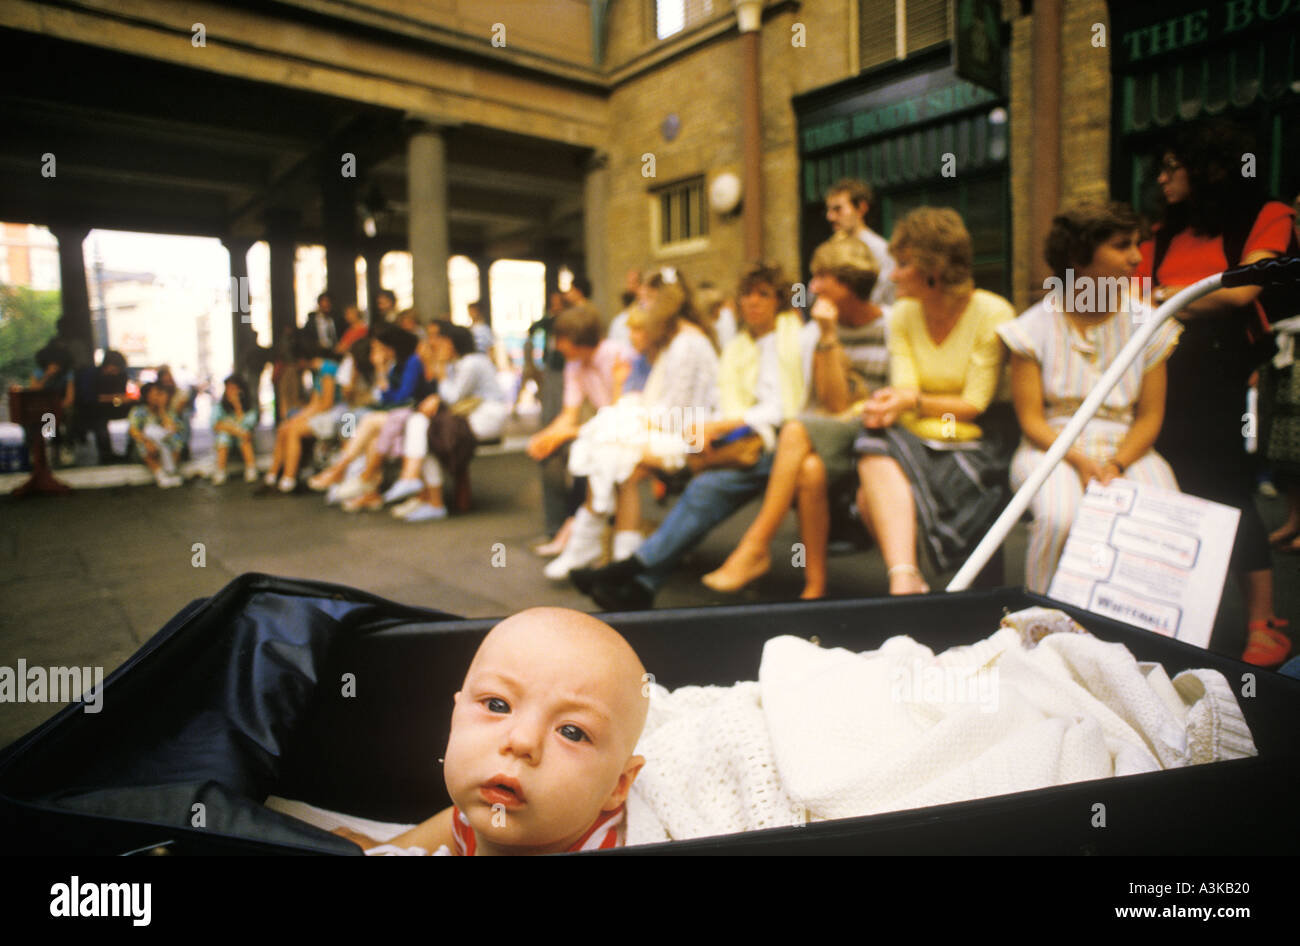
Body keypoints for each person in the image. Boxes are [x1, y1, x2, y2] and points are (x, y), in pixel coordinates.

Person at [1138, 120, 1296, 666]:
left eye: (1171, 168)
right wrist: (1184, 296)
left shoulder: (1266, 215)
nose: (1161, 179)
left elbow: (1244, 288)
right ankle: (1172, 610)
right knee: (1167, 485)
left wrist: (1164, 295)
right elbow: (1134, 298)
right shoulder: (1161, 232)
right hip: (1160, 374)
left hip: (1219, 375)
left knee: (1226, 486)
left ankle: (1262, 620)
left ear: (1207, 170)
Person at [572, 262, 820, 610]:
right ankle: (640, 583)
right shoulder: (741, 344)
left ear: (779, 299)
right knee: (695, 485)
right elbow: (721, 400)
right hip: (740, 438)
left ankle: (630, 569)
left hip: (779, 441)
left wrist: (716, 427)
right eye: (747, 293)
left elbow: (782, 409)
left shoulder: (793, 337)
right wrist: (710, 428)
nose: (753, 302)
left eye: (763, 294)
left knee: (702, 488)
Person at [339, 608, 648, 856]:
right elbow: (452, 824)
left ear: (617, 786)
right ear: (455, 716)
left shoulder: (601, 847)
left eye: (571, 731)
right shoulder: (479, 811)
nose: (522, 741)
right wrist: (381, 848)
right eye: (498, 705)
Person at [999, 201, 1180, 593]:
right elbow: (1031, 420)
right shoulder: (1032, 327)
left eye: (1136, 244)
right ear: (1079, 257)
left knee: (1162, 515)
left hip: (1128, 445)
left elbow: (1149, 416)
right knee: (1060, 517)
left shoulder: (1147, 324)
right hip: (1052, 445)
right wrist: (1080, 461)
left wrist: (1116, 463)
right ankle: (1044, 621)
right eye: (1121, 245)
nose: (1136, 257)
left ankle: (1146, 623)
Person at [701, 234, 885, 598]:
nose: (812, 286)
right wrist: (829, 336)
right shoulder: (814, 332)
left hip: (879, 429)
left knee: (796, 428)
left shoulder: (892, 323)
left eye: (821, 277)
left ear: (846, 283)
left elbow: (834, 406)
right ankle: (814, 587)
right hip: (835, 429)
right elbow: (833, 402)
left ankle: (755, 545)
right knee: (810, 471)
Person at [849, 207, 1016, 595]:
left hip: (970, 441)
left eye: (903, 264)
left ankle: (908, 580)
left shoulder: (992, 312)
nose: (892, 275)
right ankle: (905, 578)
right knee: (872, 433)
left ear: (933, 270)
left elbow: (974, 404)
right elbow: (906, 388)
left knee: (867, 484)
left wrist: (909, 402)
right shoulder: (904, 314)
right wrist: (890, 403)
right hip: (914, 437)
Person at [544, 281, 718, 581]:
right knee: (614, 457)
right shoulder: (672, 344)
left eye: (646, 303)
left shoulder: (686, 344)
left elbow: (682, 410)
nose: (637, 315)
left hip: (689, 432)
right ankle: (619, 555)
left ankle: (592, 545)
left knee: (613, 452)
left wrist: (638, 416)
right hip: (670, 426)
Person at [261, 339, 339, 493]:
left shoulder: (327, 369)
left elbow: (327, 403)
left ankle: (288, 480)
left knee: (293, 430)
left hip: (341, 414)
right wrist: (297, 419)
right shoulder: (319, 371)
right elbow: (316, 403)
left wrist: (300, 419)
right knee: (285, 427)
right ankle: (273, 476)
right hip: (330, 413)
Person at [824, 178, 897, 314]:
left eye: (838, 209)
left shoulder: (881, 250)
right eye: (829, 210)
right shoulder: (830, 248)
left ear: (861, 208)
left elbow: (880, 298)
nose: (830, 217)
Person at [127, 381, 185, 488]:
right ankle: (160, 474)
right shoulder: (138, 411)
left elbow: (172, 429)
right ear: (147, 396)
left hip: (164, 447)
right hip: (144, 448)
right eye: (155, 393)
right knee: (147, 437)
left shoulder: (168, 411)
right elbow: (133, 431)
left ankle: (171, 471)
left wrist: (162, 410)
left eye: (159, 393)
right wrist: (147, 441)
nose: (157, 397)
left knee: (175, 439)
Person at [210, 374, 259, 485]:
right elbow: (215, 424)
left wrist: (237, 405)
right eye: (228, 388)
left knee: (244, 434)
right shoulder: (219, 406)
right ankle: (220, 471)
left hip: (243, 439)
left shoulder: (250, 406)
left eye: (233, 388)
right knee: (224, 436)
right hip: (227, 439)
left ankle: (251, 468)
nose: (230, 392)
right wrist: (234, 430)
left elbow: (249, 423)